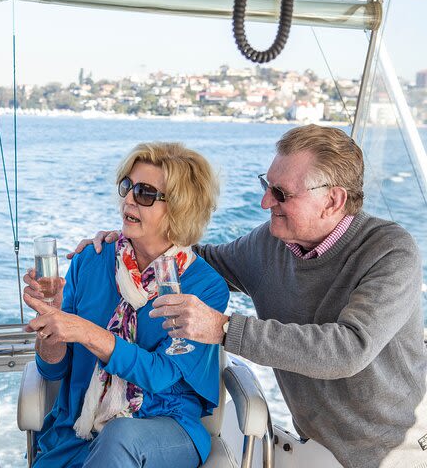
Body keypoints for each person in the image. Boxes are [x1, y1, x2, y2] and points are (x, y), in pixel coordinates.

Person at [75, 125, 427, 468]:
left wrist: (225, 330)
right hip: (317, 445)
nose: (264, 202)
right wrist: (130, 241)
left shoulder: (390, 251)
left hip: (395, 450)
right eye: (266, 186)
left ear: (332, 200)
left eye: (281, 194)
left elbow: (348, 349)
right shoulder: (271, 243)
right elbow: (197, 261)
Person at [22, 142, 229, 468]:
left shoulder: (204, 287)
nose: (129, 199)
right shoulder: (91, 260)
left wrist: (85, 331)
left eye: (145, 193)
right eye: (127, 187)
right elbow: (53, 369)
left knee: (119, 436)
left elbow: (161, 375)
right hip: (77, 430)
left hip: (165, 426)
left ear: (179, 207)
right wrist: (51, 323)